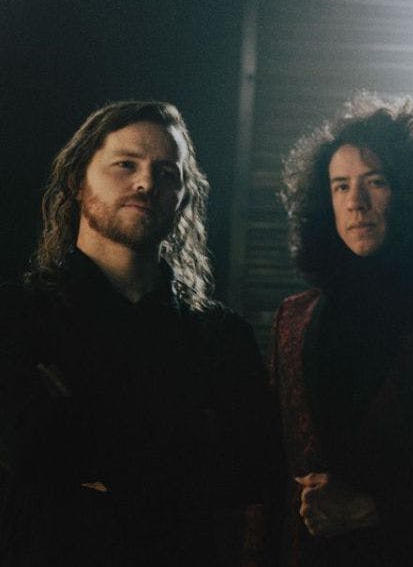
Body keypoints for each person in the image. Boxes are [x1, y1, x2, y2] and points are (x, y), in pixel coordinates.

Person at [0, 101, 279, 565]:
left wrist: (91, 447)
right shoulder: (14, 316)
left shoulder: (223, 336)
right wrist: (185, 437)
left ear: (182, 197)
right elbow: (31, 448)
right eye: (125, 165)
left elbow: (252, 473)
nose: (146, 183)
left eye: (167, 173)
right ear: (77, 181)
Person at [269, 94, 413, 565]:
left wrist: (375, 508)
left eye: (375, 182)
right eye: (340, 186)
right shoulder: (294, 318)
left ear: (411, 192)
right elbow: (268, 467)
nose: (356, 203)